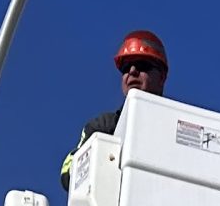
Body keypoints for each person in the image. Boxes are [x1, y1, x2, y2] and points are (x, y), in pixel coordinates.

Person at [60, 29, 169, 188]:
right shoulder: (103, 126)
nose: (132, 71)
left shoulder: (180, 129)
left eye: (142, 65)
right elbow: (68, 172)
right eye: (126, 67)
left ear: (161, 77)